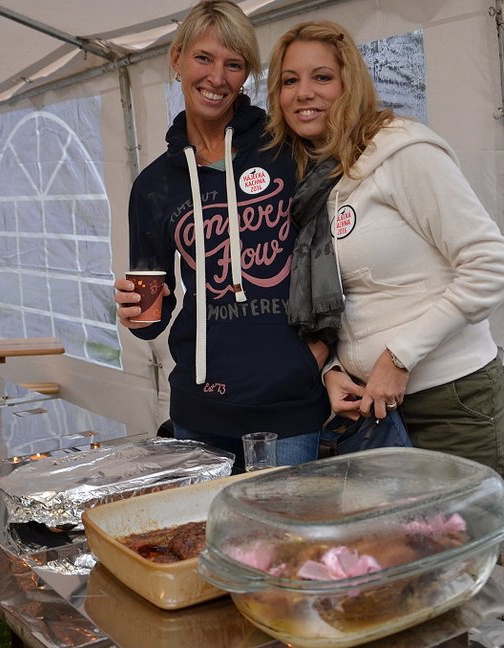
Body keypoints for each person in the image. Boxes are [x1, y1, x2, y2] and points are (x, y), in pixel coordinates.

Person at [265, 20, 504, 485]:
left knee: (465, 551)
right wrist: (335, 370)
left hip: (449, 401)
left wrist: (398, 358)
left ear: (350, 83)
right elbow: (348, 296)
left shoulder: (402, 151)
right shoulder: (316, 178)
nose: (304, 92)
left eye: (322, 77)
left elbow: (492, 266)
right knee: (397, 552)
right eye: (289, 80)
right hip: (374, 409)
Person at [113, 1, 329, 471]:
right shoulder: (154, 186)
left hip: (289, 407)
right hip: (199, 408)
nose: (217, 77)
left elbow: (335, 254)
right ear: (176, 59)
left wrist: (323, 352)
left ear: (247, 74)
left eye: (234, 65)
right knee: (204, 538)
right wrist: (137, 310)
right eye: (203, 58)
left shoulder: (286, 149)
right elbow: (153, 316)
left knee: (282, 540)